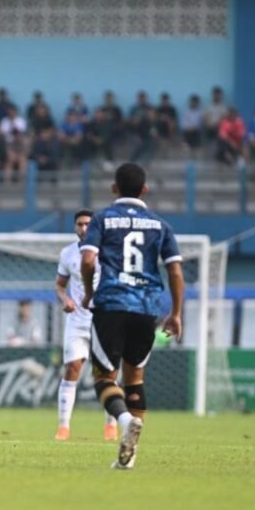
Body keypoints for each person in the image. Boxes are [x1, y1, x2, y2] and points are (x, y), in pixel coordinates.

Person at [80, 163, 184, 470]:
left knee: (103, 377)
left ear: (114, 188)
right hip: (146, 309)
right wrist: (175, 312)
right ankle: (129, 456)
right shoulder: (160, 225)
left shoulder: (103, 219)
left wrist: (88, 292)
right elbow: (175, 270)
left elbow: (87, 260)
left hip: (112, 304)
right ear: (145, 190)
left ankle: (125, 420)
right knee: (135, 378)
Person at [54, 210, 118, 442]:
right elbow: (60, 285)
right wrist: (66, 299)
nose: (83, 228)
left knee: (107, 373)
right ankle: (64, 427)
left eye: (88, 224)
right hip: (77, 322)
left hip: (104, 321)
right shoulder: (67, 253)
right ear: (75, 227)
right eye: (80, 224)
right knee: (71, 370)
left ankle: (110, 425)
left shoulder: (109, 250)